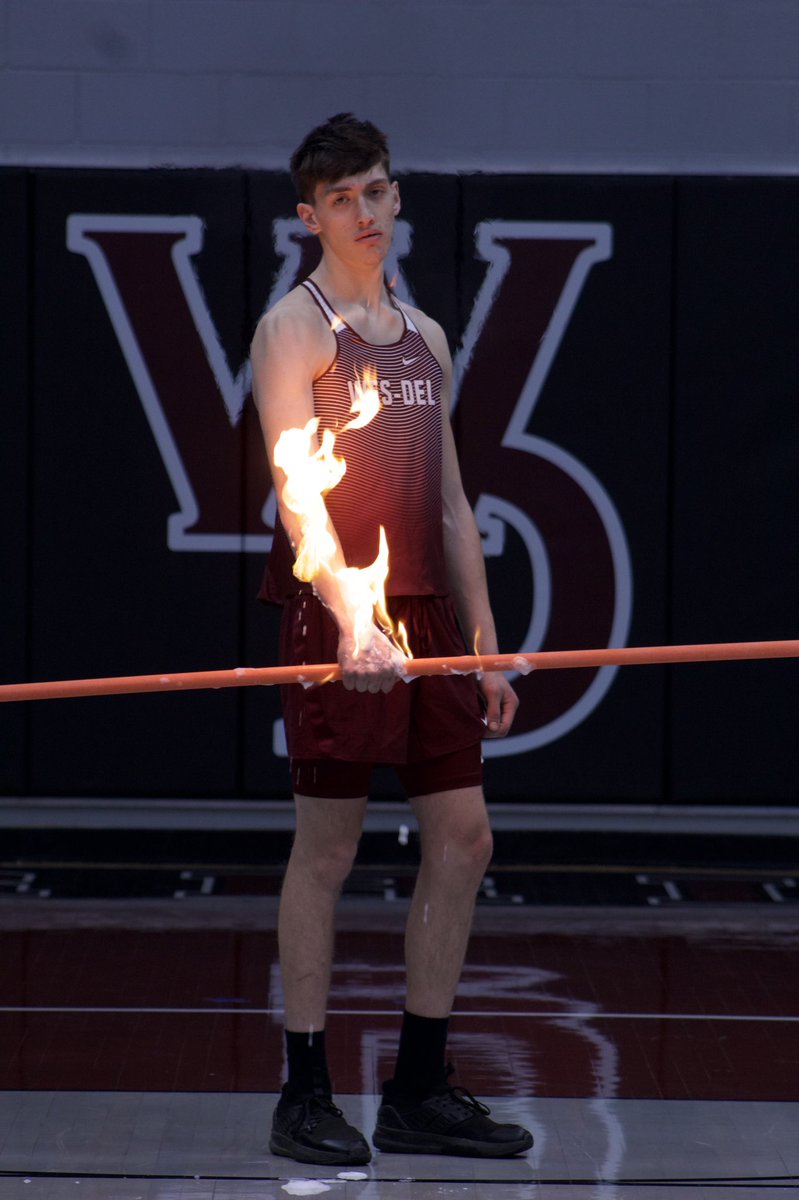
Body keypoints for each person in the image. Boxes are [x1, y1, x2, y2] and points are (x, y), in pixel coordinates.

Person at [251, 113, 532, 1166]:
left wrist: (488, 639)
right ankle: (305, 1092)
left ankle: (419, 1089)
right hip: (339, 620)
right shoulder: (296, 327)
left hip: (432, 623)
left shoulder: (426, 335)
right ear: (309, 216)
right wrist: (355, 622)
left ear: (395, 195)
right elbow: (295, 495)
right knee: (327, 850)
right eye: (340, 200)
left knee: (465, 839)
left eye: (375, 191)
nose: (363, 213)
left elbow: (453, 500)